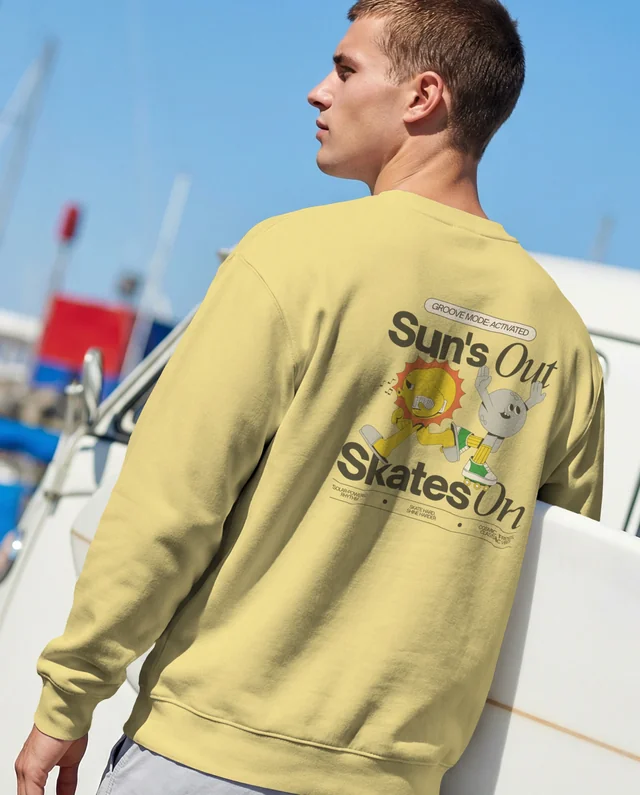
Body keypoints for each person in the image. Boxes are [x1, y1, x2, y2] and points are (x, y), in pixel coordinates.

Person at [16, 1, 604, 794]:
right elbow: (555, 594)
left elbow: (170, 508)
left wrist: (70, 694)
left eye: (346, 69)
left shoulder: (292, 260)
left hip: (212, 753)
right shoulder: (562, 341)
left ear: (423, 97)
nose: (318, 91)